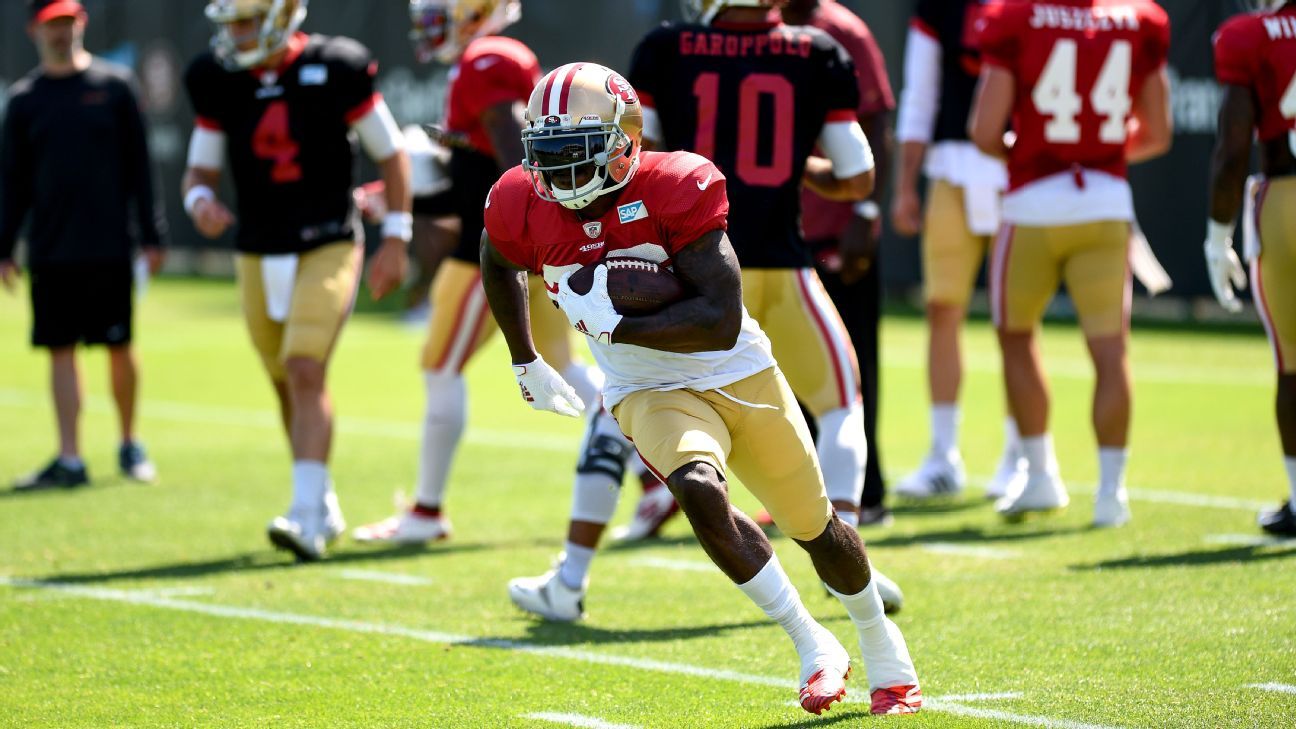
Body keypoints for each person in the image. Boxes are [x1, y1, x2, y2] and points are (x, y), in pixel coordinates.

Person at [480, 61, 921, 715]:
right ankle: (812, 642)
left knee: (817, 527)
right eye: (548, 156)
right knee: (697, 489)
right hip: (644, 389)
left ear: (625, 140)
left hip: (733, 372)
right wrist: (525, 358)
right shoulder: (521, 199)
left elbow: (718, 319)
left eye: (576, 154)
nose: (560, 174)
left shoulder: (675, 185)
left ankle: (882, 643)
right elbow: (497, 256)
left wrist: (620, 318)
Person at [350, 0, 603, 545]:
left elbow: (514, 159)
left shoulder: (488, 58)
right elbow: (476, 177)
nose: (432, 27)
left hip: (490, 254)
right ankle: (653, 476)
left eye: (442, 14)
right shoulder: (484, 61)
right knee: (566, 367)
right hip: (528, 246)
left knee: (440, 367)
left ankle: (426, 509)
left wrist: (524, 219)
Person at [181, 0, 412, 560]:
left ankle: (306, 514)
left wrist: (397, 238)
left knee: (307, 367)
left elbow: (392, 154)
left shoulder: (336, 65)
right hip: (257, 248)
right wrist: (198, 199)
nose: (234, 35)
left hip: (327, 240)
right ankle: (321, 500)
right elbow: (200, 170)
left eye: (245, 22)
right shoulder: (217, 78)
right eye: (229, 23)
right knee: (285, 377)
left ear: (280, 17)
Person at [969, 0, 1172, 526]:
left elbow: (985, 131)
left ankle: (1039, 474)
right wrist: (1094, 149)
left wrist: (1038, 149)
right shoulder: (1139, 18)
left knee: (1016, 335)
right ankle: (1111, 495)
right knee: (1110, 350)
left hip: (1033, 204)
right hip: (1105, 202)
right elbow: (1157, 133)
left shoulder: (1015, 15)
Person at [1, 0, 166, 490]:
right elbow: (13, 181)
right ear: (35, 29)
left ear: (82, 24)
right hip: (52, 247)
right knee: (59, 349)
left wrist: (152, 234)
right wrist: (5, 245)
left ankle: (129, 443)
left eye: (68, 21)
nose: (61, 32)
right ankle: (70, 458)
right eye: (52, 23)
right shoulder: (26, 98)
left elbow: (141, 166)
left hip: (111, 243)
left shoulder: (115, 86)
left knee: (119, 344)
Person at [891, 0, 1024, 501]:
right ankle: (943, 455)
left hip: (1019, 172)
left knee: (1016, 320)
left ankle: (1021, 454)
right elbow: (920, 95)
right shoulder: (938, 7)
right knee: (942, 308)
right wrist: (906, 184)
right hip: (952, 168)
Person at [782, 0, 895, 523]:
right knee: (789, 372)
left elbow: (876, 124)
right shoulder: (763, 29)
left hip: (833, 224)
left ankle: (866, 496)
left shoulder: (842, 31)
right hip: (780, 229)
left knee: (850, 369)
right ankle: (811, 498)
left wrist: (866, 213)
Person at [1206, 0, 1296, 536]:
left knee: (1292, 363)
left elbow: (1233, 144)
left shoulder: (1249, 34)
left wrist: (1218, 235)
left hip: (1286, 197)